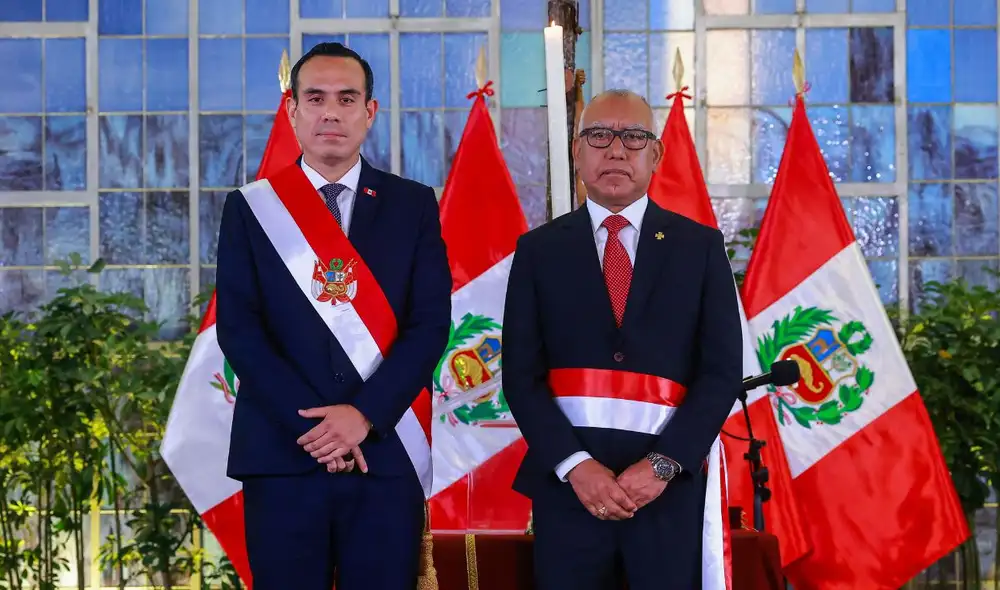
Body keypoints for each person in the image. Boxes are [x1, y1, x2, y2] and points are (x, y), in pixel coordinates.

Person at [215, 42, 451, 590]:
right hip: (283, 453)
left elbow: (429, 324)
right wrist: (319, 428)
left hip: (383, 452)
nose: (330, 112)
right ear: (292, 110)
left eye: (347, 99)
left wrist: (362, 416)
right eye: (314, 98)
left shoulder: (412, 204)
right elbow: (240, 330)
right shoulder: (250, 208)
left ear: (369, 112)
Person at [502, 89, 742, 590]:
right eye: (599, 136)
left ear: (655, 155)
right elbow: (521, 377)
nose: (615, 150)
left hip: (667, 496)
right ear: (577, 151)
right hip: (569, 495)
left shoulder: (699, 248)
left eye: (633, 137)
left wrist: (661, 466)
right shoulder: (539, 250)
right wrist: (577, 467)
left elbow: (720, 374)